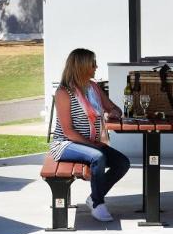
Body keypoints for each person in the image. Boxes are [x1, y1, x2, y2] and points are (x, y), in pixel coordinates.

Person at [49, 48, 131, 223]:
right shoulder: (64, 92)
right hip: (65, 144)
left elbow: (112, 107)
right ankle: (97, 202)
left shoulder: (93, 87)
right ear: (82, 67)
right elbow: (68, 131)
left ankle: (95, 195)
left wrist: (114, 112)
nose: (96, 67)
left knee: (122, 163)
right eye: (93, 64)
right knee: (98, 156)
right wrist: (93, 145)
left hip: (89, 143)